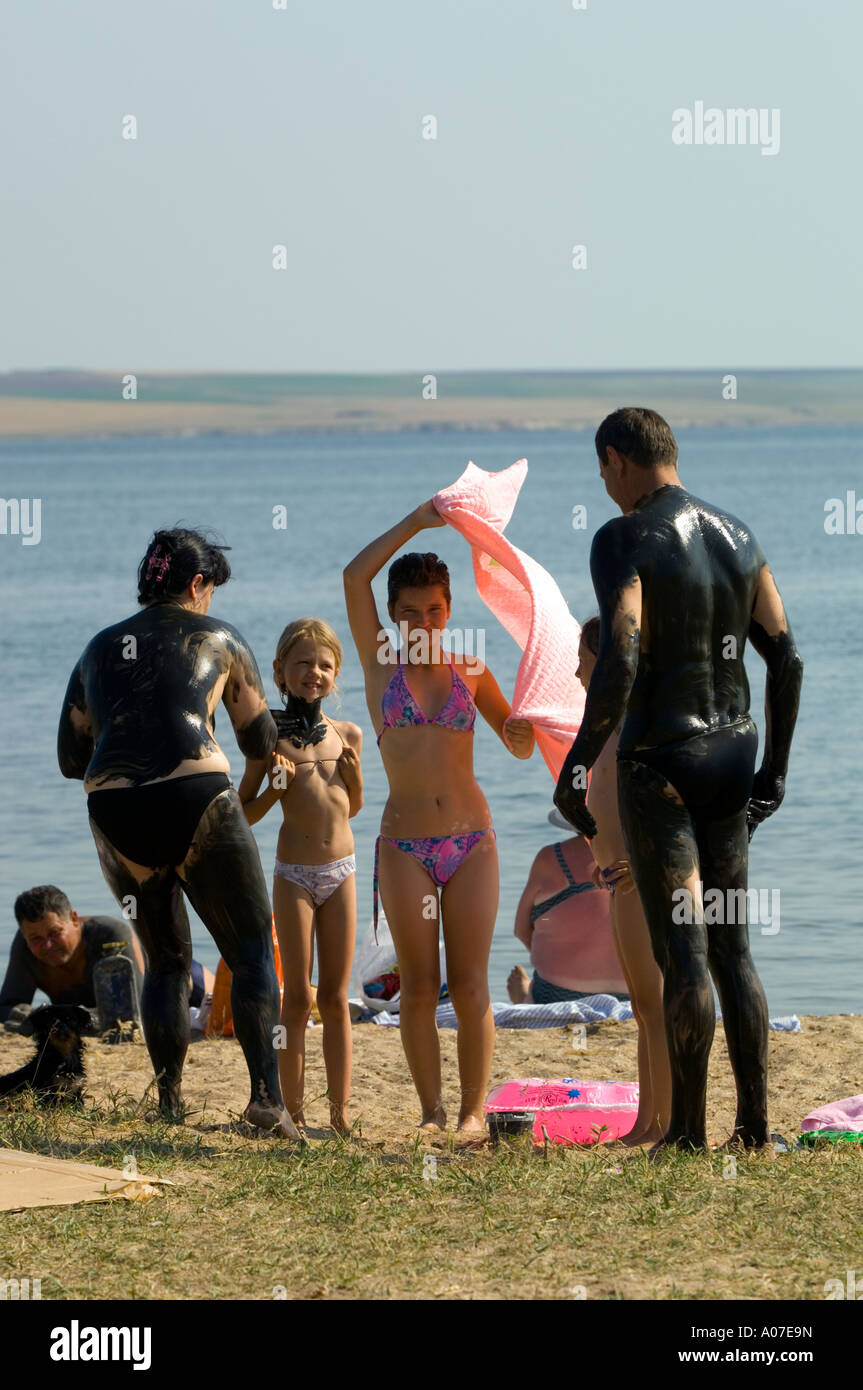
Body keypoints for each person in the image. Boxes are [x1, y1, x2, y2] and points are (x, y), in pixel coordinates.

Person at [554, 409, 803, 1154]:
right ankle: (753, 1128)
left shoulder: (623, 538)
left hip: (661, 760)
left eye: (602, 472)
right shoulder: (738, 537)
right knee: (733, 947)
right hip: (732, 754)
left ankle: (687, 1134)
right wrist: (774, 772)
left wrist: (575, 765)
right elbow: (785, 660)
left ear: (618, 459)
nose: (604, 486)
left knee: (684, 953)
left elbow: (621, 658)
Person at [57, 527, 300, 1138]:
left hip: (114, 811)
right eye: (210, 588)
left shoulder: (97, 649)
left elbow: (70, 755)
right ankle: (267, 1103)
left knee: (166, 961)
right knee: (247, 956)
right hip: (197, 797)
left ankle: (168, 1103)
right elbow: (258, 739)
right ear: (197, 585)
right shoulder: (220, 638)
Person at [344, 502, 535, 1133]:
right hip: (404, 849)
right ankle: (432, 1112)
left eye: (433, 610)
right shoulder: (379, 668)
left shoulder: (471, 671)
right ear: (393, 615)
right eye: (408, 611)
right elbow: (353, 576)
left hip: (471, 843)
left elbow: (516, 740)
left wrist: (527, 726)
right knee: (421, 988)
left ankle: (474, 1112)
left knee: (472, 983)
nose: (421, 621)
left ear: (449, 610)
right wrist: (415, 522)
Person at [239, 618, 362, 1137]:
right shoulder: (268, 738)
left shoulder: (347, 734)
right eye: (303, 664)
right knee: (298, 998)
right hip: (293, 877)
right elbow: (244, 813)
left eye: (325, 665)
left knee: (335, 998)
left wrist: (354, 780)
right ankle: (292, 1111)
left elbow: (349, 808)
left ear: (336, 674)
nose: (314, 672)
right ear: (280, 672)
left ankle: (340, 1115)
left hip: (343, 872)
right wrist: (272, 787)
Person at [570, 617, 671, 1146]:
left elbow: (668, 797)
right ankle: (647, 1121)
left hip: (641, 879)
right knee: (642, 1007)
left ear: (606, 658)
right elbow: (608, 803)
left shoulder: (637, 721)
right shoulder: (606, 725)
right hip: (616, 877)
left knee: (655, 1004)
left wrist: (646, 859)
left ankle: (668, 1122)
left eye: (582, 657)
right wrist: (599, 854)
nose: (576, 668)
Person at [0, 886, 214, 1030]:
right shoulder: (25, 947)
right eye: (35, 938)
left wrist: (49, 1017)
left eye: (55, 933)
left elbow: (132, 1013)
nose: (47, 944)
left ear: (74, 919)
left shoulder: (110, 935)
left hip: (190, 990)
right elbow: (8, 1007)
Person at [507, 826, 629, 1005]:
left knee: (541, 985)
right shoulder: (649, 852)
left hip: (558, 994)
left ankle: (526, 998)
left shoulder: (551, 856)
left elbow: (521, 929)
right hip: (637, 994)